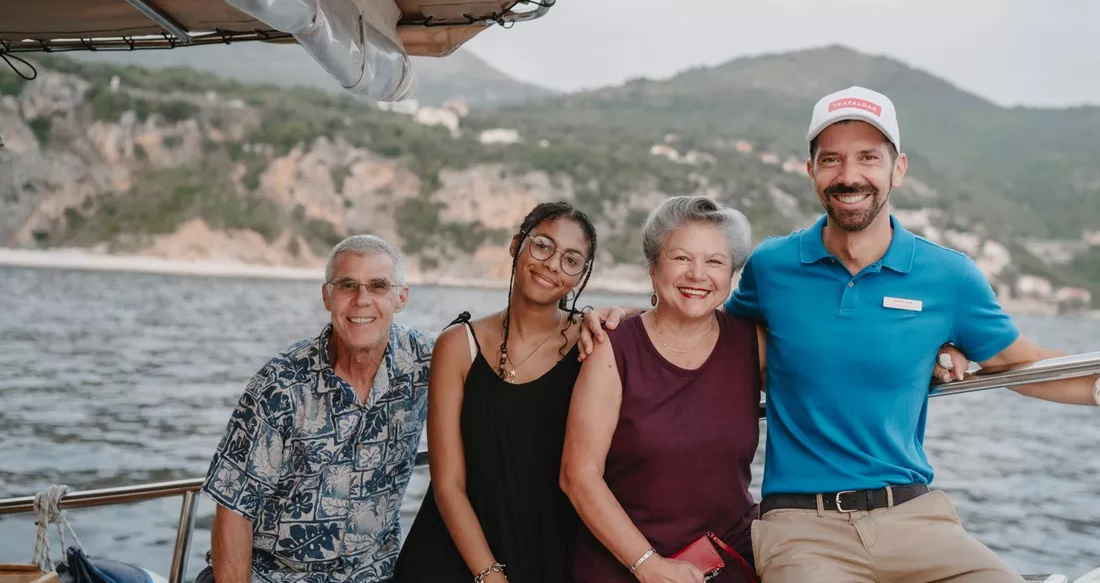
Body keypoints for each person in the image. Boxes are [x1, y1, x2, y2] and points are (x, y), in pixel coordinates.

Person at [720, 86, 1100, 582]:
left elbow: (1027, 366)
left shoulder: (949, 276)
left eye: (868, 157)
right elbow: (706, 341)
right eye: (831, 159)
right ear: (810, 170)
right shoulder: (772, 266)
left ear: (898, 168)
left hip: (913, 518)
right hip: (801, 526)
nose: (849, 175)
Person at [561, 196, 968, 583]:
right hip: (627, 562)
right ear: (654, 268)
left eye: (715, 261)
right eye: (681, 258)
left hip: (729, 558)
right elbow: (579, 476)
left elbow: (839, 368)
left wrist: (930, 352)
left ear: (731, 276)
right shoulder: (612, 347)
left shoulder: (750, 344)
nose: (697, 275)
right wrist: (648, 565)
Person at [198, 234, 433, 583]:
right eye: (347, 285)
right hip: (270, 574)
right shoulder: (280, 384)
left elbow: (499, 355)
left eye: (378, 285)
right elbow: (233, 511)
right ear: (327, 295)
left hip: (373, 576)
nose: (362, 299)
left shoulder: (426, 362)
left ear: (401, 298)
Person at [392, 202, 598, 583]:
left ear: (581, 275)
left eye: (571, 260)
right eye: (543, 245)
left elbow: (653, 324)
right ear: (516, 245)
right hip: (454, 555)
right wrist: (490, 576)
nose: (552, 265)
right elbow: (448, 484)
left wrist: (617, 313)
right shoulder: (458, 344)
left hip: (550, 554)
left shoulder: (593, 344)